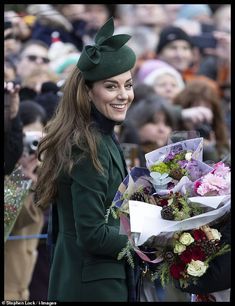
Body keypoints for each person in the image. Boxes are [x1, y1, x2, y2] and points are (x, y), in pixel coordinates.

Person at [34, 17, 137, 302]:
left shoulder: (101, 137)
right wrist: (150, 241)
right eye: (111, 86)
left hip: (97, 281)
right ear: (88, 93)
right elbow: (92, 234)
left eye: (127, 85)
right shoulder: (86, 145)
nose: (124, 95)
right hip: (91, 288)